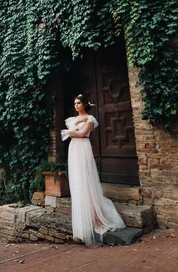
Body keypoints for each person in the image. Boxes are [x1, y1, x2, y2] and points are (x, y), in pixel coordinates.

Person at [61, 94, 126, 247]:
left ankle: (95, 217)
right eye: (75, 103)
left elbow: (82, 134)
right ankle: (82, 222)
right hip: (74, 149)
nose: (76, 105)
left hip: (83, 147)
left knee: (85, 180)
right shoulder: (71, 120)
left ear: (84, 104)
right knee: (77, 182)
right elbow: (74, 131)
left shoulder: (90, 119)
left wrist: (67, 132)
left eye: (78, 103)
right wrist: (73, 127)